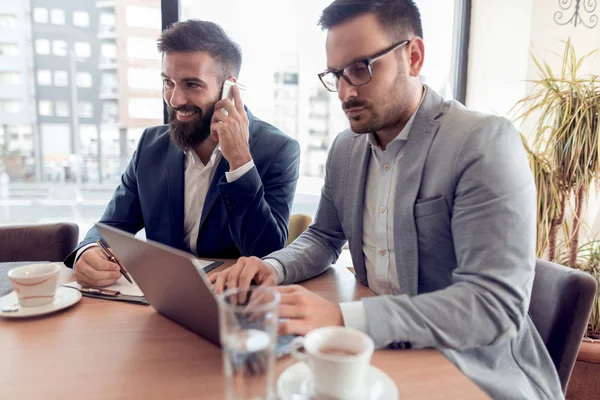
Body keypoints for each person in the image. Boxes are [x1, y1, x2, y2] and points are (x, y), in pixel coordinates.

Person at [209, 1, 563, 399]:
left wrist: (343, 317)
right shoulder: (346, 148)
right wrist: (273, 267)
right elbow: (324, 237)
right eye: (336, 74)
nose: (345, 91)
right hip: (381, 353)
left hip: (470, 370)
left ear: (413, 56)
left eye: (360, 68)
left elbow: (494, 305)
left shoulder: (482, 142)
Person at [66, 20, 300, 288]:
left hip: (234, 302)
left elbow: (266, 252)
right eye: (168, 82)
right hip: (162, 303)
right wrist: (88, 252)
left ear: (228, 88)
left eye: (192, 84)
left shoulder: (278, 150)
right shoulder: (150, 146)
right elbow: (111, 226)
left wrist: (240, 162)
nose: (175, 99)